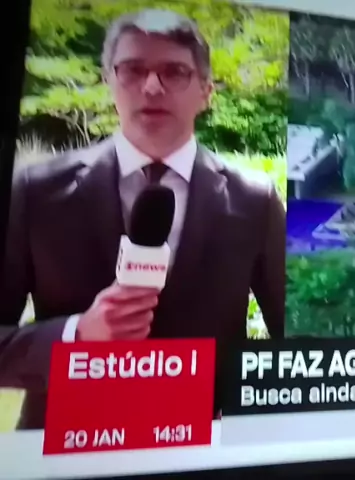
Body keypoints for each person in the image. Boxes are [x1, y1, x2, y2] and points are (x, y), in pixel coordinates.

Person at [0, 9, 286, 429]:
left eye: (175, 72)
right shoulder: (36, 190)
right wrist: (77, 334)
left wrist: (247, 398)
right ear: (109, 82)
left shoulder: (254, 200)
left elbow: (297, 343)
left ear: (206, 91)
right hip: (67, 445)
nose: (152, 86)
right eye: (133, 70)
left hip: (203, 446)